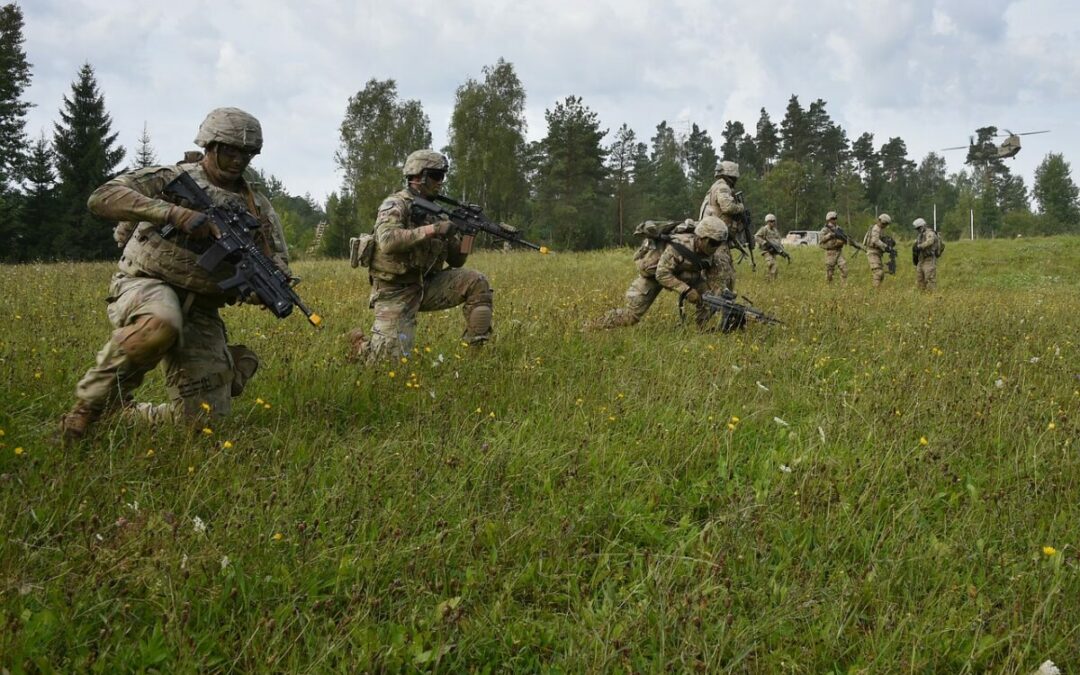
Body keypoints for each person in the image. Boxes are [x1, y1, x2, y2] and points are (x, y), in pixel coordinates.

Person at [59, 107, 291, 442]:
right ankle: (85, 409)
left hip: (200, 308)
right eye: (229, 150)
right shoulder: (170, 178)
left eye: (247, 154)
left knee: (206, 426)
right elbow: (102, 198)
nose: (239, 160)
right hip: (145, 283)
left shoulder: (257, 207)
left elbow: (278, 262)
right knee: (161, 321)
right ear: (209, 146)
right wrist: (172, 213)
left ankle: (124, 414)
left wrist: (262, 288)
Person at [346, 150, 493, 362]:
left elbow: (457, 261)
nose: (440, 182)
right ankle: (358, 346)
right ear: (418, 176)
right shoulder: (396, 204)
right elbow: (387, 240)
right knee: (388, 363)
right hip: (394, 290)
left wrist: (468, 234)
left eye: (443, 176)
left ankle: (475, 358)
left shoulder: (439, 213)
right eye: (436, 176)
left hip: (426, 285)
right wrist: (433, 229)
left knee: (477, 282)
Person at [587, 217, 728, 329]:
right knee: (631, 316)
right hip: (655, 274)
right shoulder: (679, 246)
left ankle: (699, 329)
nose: (716, 247)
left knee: (710, 299)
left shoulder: (714, 254)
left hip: (685, 274)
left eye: (719, 243)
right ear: (701, 237)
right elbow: (662, 274)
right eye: (713, 243)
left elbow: (717, 280)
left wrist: (720, 296)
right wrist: (686, 290)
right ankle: (591, 326)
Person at [698, 160, 744, 291]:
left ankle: (719, 304)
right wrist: (740, 207)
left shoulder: (716, 186)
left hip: (714, 238)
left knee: (723, 274)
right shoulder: (723, 187)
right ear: (732, 176)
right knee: (723, 276)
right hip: (715, 239)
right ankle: (720, 306)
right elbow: (728, 207)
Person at [912, 217, 943, 290]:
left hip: (929, 259)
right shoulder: (920, 235)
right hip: (921, 259)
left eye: (918, 228)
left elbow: (930, 242)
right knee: (919, 279)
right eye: (917, 229)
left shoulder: (930, 233)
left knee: (929, 279)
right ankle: (921, 295)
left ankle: (931, 296)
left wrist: (920, 246)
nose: (918, 230)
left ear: (923, 226)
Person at [818, 211, 849, 283]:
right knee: (830, 272)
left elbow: (844, 238)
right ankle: (829, 286)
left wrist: (844, 241)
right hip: (830, 252)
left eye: (835, 218)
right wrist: (829, 235)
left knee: (844, 269)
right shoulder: (825, 229)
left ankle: (844, 286)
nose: (835, 220)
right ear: (829, 219)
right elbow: (821, 239)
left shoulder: (839, 229)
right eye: (833, 218)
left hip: (839, 251)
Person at [864, 213, 893, 288]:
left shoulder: (879, 229)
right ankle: (875, 291)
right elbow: (875, 240)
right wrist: (886, 247)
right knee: (878, 272)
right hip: (873, 252)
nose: (884, 225)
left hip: (877, 253)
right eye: (884, 223)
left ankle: (877, 289)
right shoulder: (876, 229)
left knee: (881, 274)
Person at [754, 213, 783, 280]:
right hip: (766, 250)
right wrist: (764, 242)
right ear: (767, 222)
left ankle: (769, 278)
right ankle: (772, 280)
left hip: (773, 250)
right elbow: (756, 236)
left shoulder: (775, 231)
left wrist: (780, 247)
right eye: (771, 221)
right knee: (772, 264)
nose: (773, 223)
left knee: (773, 265)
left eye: (774, 221)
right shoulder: (764, 229)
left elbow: (778, 239)